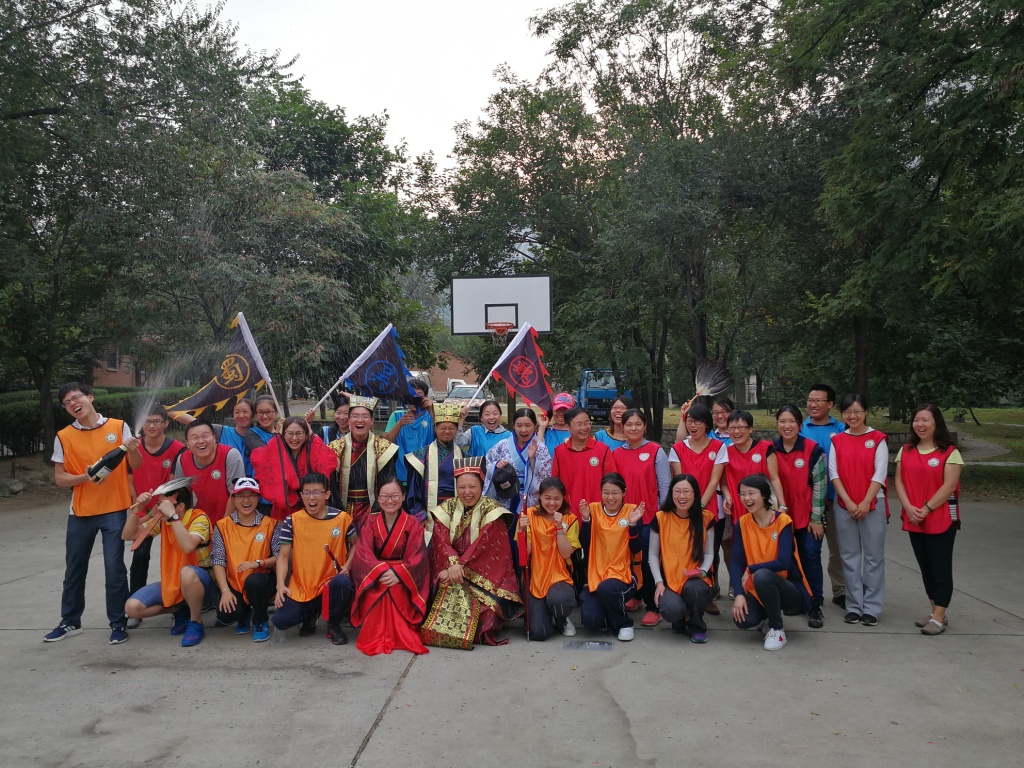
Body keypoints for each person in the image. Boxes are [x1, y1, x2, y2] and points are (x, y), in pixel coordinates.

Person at [46, 383, 140, 644]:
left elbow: (136, 465)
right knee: (74, 569)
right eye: (67, 402)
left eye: (76, 397)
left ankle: (118, 623)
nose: (73, 404)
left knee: (114, 569)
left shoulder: (118, 427)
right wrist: (85, 477)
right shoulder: (64, 436)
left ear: (90, 397)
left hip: (115, 510)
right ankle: (70, 621)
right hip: (81, 512)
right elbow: (60, 478)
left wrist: (133, 448)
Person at [425, 458, 522, 646]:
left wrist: (457, 567)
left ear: (481, 486)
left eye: (472, 487)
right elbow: (440, 540)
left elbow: (483, 547)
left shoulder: (493, 510)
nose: (467, 492)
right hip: (450, 571)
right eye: (462, 487)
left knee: (486, 617)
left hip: (483, 577)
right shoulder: (447, 508)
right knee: (439, 599)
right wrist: (451, 563)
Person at [894, 404, 963, 637]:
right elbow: (899, 481)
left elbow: (949, 486)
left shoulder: (950, 452)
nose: (920, 424)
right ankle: (935, 611)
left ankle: (939, 617)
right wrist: (908, 507)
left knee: (940, 567)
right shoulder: (906, 450)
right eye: (916, 420)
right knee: (926, 568)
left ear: (936, 423)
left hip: (940, 518)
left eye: (925, 420)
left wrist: (925, 508)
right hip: (914, 517)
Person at [122, 485, 217, 648]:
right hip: (175, 582)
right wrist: (138, 508)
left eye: (163, 504)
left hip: (204, 586)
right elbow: (128, 535)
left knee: (187, 573)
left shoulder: (198, 518)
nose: (158, 508)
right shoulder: (163, 520)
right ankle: (179, 608)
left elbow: (188, 546)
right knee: (132, 608)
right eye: (158, 504)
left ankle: (196, 622)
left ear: (180, 507)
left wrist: (173, 517)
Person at [272, 472, 356, 645]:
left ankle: (334, 625)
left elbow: (356, 544)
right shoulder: (292, 521)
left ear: (327, 495)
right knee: (280, 620)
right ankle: (309, 615)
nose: (312, 497)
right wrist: (280, 585)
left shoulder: (342, 519)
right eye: (307, 493)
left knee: (343, 583)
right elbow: (283, 556)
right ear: (301, 495)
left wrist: (347, 566)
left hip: (330, 582)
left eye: (317, 492)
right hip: (303, 586)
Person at [350, 477, 430, 656]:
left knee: (394, 587)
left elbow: (418, 556)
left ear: (403, 497)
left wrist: (399, 573)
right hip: (377, 573)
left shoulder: (412, 523)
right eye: (384, 496)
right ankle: (376, 635)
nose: (390, 501)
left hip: (403, 575)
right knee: (382, 586)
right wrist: (381, 571)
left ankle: (400, 635)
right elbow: (363, 554)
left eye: (395, 496)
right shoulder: (370, 522)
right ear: (378, 498)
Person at [730, 475, 812, 651]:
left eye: (751, 493)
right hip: (758, 586)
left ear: (764, 495)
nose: (746, 498)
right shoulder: (742, 523)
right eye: (742, 494)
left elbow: (783, 562)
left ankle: (777, 629)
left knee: (762, 575)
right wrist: (738, 594)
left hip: (788, 589)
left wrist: (750, 569)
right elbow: (736, 560)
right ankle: (767, 616)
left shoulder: (783, 521)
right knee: (743, 620)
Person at [829, 394, 889, 627]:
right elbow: (834, 474)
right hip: (844, 506)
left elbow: (880, 473)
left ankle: (872, 607)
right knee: (849, 556)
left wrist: (865, 502)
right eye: (847, 412)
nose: (852, 416)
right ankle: (854, 606)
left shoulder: (878, 439)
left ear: (865, 412)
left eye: (857, 411)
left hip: (873, 504)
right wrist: (848, 501)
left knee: (874, 557)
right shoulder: (837, 440)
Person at [126, 403, 185, 627]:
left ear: (165, 424)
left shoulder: (177, 448)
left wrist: (162, 508)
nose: (151, 426)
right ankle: (136, 606)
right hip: (142, 508)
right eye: (147, 422)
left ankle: (179, 601)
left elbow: (174, 481)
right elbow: (129, 479)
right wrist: (136, 508)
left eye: (156, 422)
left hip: (167, 507)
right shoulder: (133, 446)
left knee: (177, 554)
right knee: (140, 556)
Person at [668, 403, 727, 614]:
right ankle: (682, 592)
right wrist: (688, 507)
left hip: (709, 508)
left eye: (698, 422)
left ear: (707, 424)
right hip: (683, 508)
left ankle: (707, 595)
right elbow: (679, 480)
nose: (693, 426)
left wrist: (700, 506)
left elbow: (714, 480)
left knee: (710, 553)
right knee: (687, 552)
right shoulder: (677, 449)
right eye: (690, 421)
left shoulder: (719, 447)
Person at [613, 408, 670, 625]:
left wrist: (661, 518)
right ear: (622, 427)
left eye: (638, 424)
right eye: (629, 424)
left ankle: (654, 606)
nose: (633, 428)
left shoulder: (656, 451)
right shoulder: (616, 454)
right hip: (624, 519)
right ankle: (636, 595)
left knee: (647, 562)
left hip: (649, 519)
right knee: (628, 560)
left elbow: (665, 488)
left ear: (645, 426)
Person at [774, 405, 827, 628]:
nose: (787, 426)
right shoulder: (770, 449)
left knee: (810, 557)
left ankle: (816, 604)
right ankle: (795, 600)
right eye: (782, 421)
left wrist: (816, 518)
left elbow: (820, 486)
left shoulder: (813, 450)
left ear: (799, 424)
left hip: (808, 518)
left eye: (791, 421)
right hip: (780, 519)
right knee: (785, 561)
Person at [211, 478, 279, 643]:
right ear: (233, 499)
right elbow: (218, 560)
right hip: (235, 583)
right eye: (241, 496)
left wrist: (259, 563)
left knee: (255, 582)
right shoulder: (222, 526)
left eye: (251, 495)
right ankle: (244, 613)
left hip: (261, 581)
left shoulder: (270, 524)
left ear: (258, 498)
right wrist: (225, 591)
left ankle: (260, 620)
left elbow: (279, 557)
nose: (246, 500)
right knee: (226, 614)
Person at [577, 473, 644, 641]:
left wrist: (633, 524)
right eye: (606, 492)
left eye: (615, 492)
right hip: (596, 574)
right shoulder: (592, 509)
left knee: (607, 589)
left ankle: (624, 623)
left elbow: (637, 548)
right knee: (591, 621)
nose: (610, 497)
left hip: (624, 575)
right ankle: (609, 611)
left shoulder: (631, 511)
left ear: (624, 492)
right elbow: (584, 543)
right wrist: (586, 519)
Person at [650, 474, 716, 643]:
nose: (682, 496)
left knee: (696, 591)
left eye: (687, 491)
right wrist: (659, 582)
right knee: (672, 610)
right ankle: (680, 618)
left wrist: (702, 572)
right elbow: (653, 554)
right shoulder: (661, 517)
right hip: (670, 580)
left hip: (696, 579)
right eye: (677, 491)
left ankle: (697, 626)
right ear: (671, 493)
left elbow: (710, 553)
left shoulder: (706, 517)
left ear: (695, 494)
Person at [800, 384, 848, 609]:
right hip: (808, 501)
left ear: (830, 404)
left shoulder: (842, 429)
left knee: (839, 548)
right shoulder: (800, 428)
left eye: (818, 400)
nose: (813, 404)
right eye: (810, 400)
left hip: (837, 499)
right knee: (808, 550)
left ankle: (841, 590)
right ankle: (806, 590)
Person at [518, 477, 581, 640]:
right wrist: (521, 531)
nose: (552, 503)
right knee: (539, 633)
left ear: (563, 498)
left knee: (560, 601)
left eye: (556, 498)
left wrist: (559, 528)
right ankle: (541, 614)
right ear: (540, 496)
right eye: (547, 498)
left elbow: (566, 553)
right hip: (536, 576)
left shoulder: (570, 518)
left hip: (559, 575)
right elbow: (526, 552)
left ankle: (561, 618)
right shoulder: (528, 515)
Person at [328, 396, 399, 530]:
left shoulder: (384, 448)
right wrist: (338, 512)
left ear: (372, 421)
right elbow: (331, 486)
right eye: (355, 416)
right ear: (349, 420)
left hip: (374, 507)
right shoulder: (335, 448)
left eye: (365, 416)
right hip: (344, 508)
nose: (360, 420)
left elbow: (388, 481)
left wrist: (377, 511)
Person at [250, 416, 339, 521]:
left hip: (311, 509)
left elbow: (329, 461)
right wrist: (277, 438)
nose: (294, 438)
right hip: (282, 513)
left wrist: (313, 438)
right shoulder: (276, 450)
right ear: (283, 434)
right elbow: (259, 458)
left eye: (299, 433)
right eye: (290, 433)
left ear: (306, 434)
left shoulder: (312, 449)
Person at [173, 398, 269, 478]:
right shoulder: (221, 431)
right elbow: (193, 422)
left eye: (245, 412)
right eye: (237, 412)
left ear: (252, 414)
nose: (241, 415)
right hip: (226, 483)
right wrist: (168, 410)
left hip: (257, 485)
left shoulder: (262, 435)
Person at [721, 410, 787, 526]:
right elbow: (724, 483)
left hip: (765, 508)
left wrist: (782, 505)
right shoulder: (725, 454)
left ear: (750, 429)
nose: (736, 431)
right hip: (739, 508)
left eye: (741, 427)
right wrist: (727, 496)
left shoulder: (765, 448)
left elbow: (775, 479)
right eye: (732, 428)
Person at [173, 420, 244, 525]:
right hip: (201, 519)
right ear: (187, 443)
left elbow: (236, 494)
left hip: (231, 520)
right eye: (195, 438)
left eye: (205, 436)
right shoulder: (183, 459)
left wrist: (223, 527)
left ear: (214, 438)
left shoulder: (230, 455)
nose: (201, 441)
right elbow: (182, 493)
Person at [483, 407, 552, 514]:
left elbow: (545, 477)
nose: (523, 430)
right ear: (513, 426)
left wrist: (532, 460)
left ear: (535, 426)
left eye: (528, 425)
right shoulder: (502, 445)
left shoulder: (541, 448)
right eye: (519, 425)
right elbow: (488, 463)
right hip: (505, 497)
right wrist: (496, 465)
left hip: (530, 501)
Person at [405, 403, 463, 522]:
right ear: (435, 428)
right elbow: (413, 490)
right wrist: (420, 517)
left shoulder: (464, 456)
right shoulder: (420, 456)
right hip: (429, 512)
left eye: (451, 428)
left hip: (457, 510)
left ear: (456, 429)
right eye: (443, 428)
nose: (447, 431)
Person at [551, 407, 618, 510]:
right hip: (569, 511)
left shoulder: (603, 450)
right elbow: (555, 483)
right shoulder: (560, 451)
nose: (584, 428)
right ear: (568, 427)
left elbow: (612, 482)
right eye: (579, 424)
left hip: (597, 511)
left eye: (587, 423)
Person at [384, 378, 435, 485]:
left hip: (427, 476)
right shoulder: (397, 416)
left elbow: (444, 436)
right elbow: (385, 443)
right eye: (410, 395)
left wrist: (431, 411)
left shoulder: (432, 416)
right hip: (402, 476)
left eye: (419, 395)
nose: (414, 399)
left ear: (426, 397)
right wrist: (399, 424)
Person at [538, 392, 575, 456]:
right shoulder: (545, 432)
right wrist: (542, 427)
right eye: (557, 409)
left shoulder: (577, 432)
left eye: (565, 410)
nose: (561, 413)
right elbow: (538, 453)